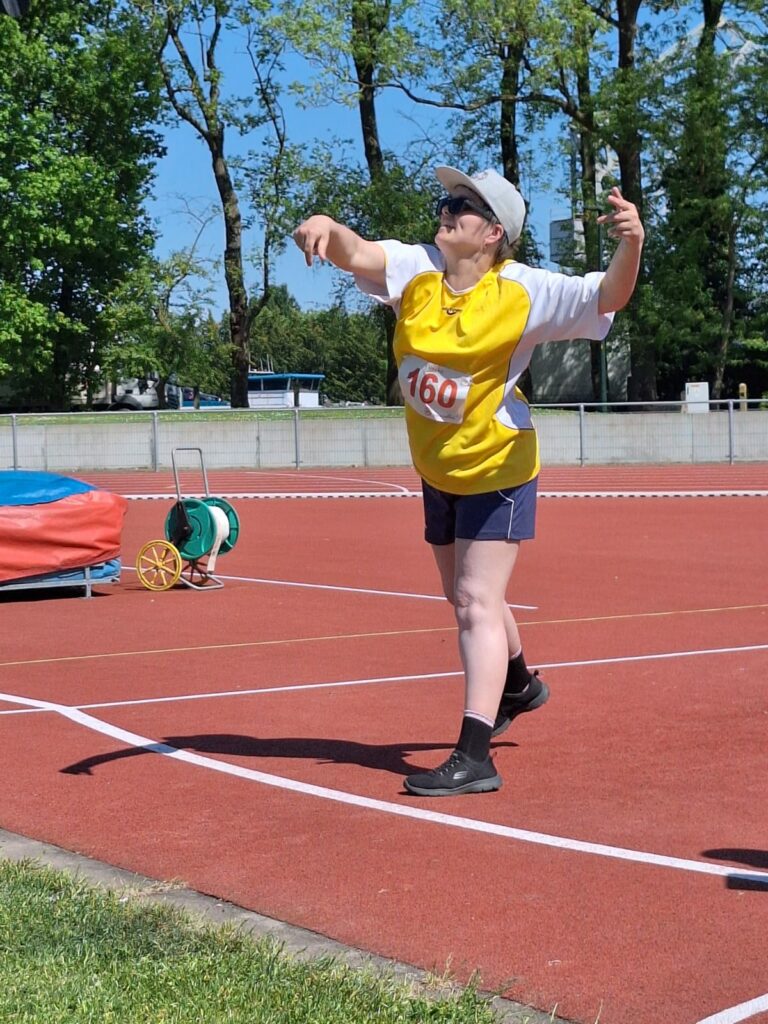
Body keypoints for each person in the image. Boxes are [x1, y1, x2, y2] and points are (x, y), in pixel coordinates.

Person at [293, 165, 644, 797]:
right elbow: (356, 251)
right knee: (468, 593)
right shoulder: (417, 270)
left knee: (474, 602)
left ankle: (475, 755)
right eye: (447, 200)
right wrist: (325, 224)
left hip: (497, 465)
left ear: (493, 234)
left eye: (464, 206)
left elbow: (607, 297)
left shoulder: (524, 290)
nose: (448, 210)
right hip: (438, 468)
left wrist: (632, 243)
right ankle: (519, 683)